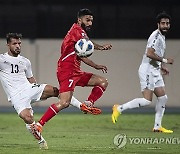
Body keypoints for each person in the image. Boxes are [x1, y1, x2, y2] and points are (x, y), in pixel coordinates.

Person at [0, 33, 99, 150]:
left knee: (56, 91)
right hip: (16, 96)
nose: (18, 46)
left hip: (28, 88)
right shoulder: (2, 59)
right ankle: (41, 140)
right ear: (8, 45)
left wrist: (36, 89)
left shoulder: (25, 61)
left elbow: (31, 79)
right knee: (28, 118)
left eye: (19, 43)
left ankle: (81, 106)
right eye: (14, 44)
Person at [32, 8, 112, 134]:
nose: (90, 23)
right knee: (64, 103)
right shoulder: (77, 30)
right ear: (79, 20)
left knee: (103, 81)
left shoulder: (80, 33)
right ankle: (38, 125)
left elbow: (84, 50)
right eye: (87, 20)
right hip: (67, 70)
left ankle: (88, 103)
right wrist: (99, 53)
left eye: (91, 20)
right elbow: (84, 54)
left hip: (75, 71)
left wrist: (98, 56)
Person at [112, 11, 174, 133]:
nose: (166, 25)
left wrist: (161, 66)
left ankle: (157, 126)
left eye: (167, 23)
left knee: (163, 98)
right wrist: (165, 60)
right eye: (163, 23)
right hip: (147, 71)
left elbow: (155, 54)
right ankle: (119, 108)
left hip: (155, 70)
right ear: (158, 24)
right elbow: (149, 53)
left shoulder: (162, 36)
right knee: (146, 101)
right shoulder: (155, 36)